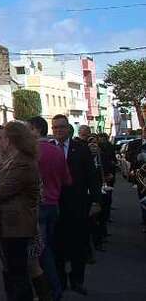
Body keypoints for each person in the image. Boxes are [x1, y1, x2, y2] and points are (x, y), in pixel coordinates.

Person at [0, 122, 42, 301]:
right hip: (11, 225)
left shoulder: (22, 162)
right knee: (13, 270)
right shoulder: (17, 160)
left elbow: (1, 191)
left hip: (17, 226)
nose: (3, 141)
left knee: (19, 272)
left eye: (6, 137)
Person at [51, 114, 101, 296]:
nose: (58, 130)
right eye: (55, 127)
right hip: (55, 205)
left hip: (78, 204)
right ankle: (60, 281)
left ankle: (77, 280)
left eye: (62, 127)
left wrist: (96, 201)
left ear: (69, 129)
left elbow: (92, 177)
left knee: (78, 246)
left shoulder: (80, 149)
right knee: (57, 246)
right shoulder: (48, 149)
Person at [26, 116, 70, 301]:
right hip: (54, 205)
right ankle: (53, 287)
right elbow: (67, 179)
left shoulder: (31, 152)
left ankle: (52, 290)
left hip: (38, 206)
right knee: (49, 247)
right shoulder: (57, 151)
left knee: (41, 252)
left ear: (36, 130)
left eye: (29, 129)